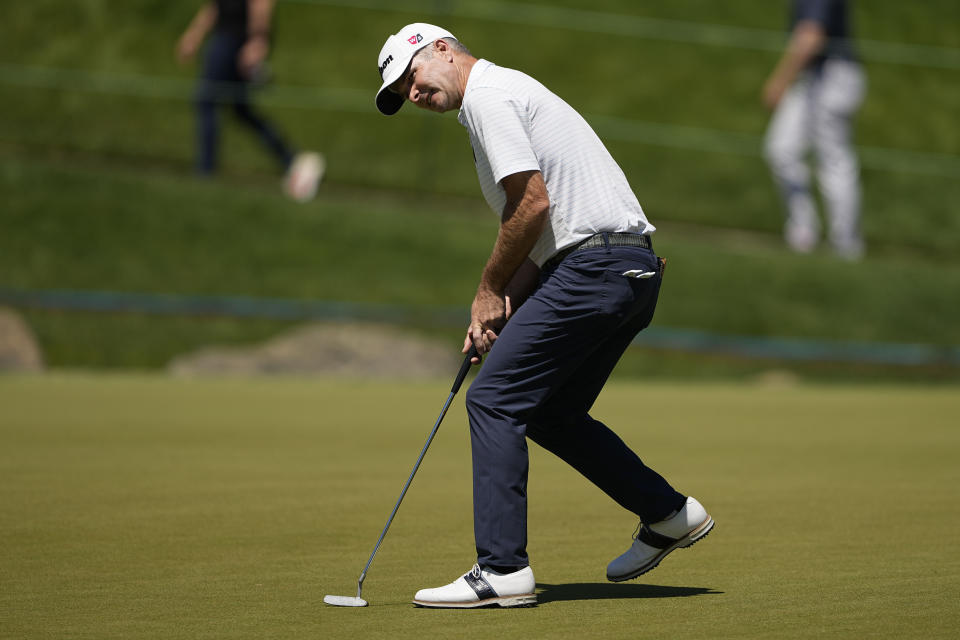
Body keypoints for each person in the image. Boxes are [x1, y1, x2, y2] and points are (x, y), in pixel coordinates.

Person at [374, 23, 714, 609]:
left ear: (441, 49)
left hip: (593, 271)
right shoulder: (499, 97)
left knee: (493, 399)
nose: (412, 94)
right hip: (627, 271)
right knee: (549, 412)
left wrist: (487, 290)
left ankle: (501, 569)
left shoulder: (488, 95)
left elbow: (532, 204)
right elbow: (541, 239)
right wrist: (501, 309)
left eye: (410, 77)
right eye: (401, 92)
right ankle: (669, 514)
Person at [176, 0, 323, 201]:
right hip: (228, 37)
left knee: (207, 101)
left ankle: (205, 172)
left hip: (235, 39)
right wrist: (194, 34)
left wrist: (258, 40)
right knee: (241, 109)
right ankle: (291, 160)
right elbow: (215, 7)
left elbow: (261, 3)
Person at [762, 0, 867, 259]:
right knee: (781, 149)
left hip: (833, 75)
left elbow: (811, 36)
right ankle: (803, 233)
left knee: (833, 159)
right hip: (814, 76)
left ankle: (846, 245)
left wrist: (779, 81)